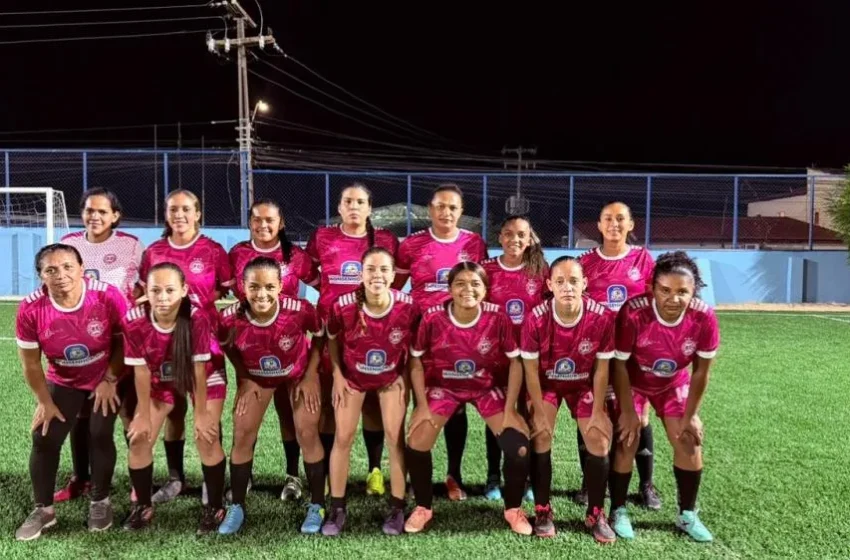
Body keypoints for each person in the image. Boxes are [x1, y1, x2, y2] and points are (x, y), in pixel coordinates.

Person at [403, 262, 531, 535]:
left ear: (485, 290)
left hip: (486, 388)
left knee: (518, 447)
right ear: (449, 288)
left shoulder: (498, 318)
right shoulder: (433, 317)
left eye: (475, 284)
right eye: (460, 283)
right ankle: (423, 507)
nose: (467, 289)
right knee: (417, 440)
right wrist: (421, 406)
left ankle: (513, 509)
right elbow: (414, 360)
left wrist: (510, 409)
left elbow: (516, 363)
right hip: (444, 387)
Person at [15, 244, 128, 540]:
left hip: (105, 373)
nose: (61, 275)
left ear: (81, 269)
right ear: (41, 276)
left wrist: (110, 378)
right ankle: (44, 510)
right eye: (50, 270)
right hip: (63, 378)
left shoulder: (106, 295)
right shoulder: (30, 308)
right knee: (43, 435)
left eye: (67, 267)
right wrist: (45, 401)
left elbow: (125, 342)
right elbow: (30, 364)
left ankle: (100, 501)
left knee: (99, 431)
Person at [608, 251, 720, 542]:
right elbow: (618, 363)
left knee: (688, 440)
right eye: (665, 290)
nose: (674, 298)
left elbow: (700, 372)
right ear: (652, 288)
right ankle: (618, 510)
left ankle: (687, 514)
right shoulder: (633, 312)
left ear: (694, 290)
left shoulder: (704, 318)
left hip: (673, 383)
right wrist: (629, 412)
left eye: (682, 291)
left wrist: (691, 414)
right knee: (627, 438)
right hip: (633, 380)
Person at [214, 257, 326, 535]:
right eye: (254, 287)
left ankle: (318, 504)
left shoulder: (299, 309)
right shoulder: (230, 317)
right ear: (242, 287)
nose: (261, 294)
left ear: (280, 287)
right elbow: (226, 345)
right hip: (258, 377)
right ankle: (237, 506)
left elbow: (321, 334)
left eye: (268, 287)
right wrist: (244, 376)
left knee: (307, 431)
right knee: (242, 432)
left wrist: (311, 374)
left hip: (297, 374)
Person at [136, 189, 232, 504]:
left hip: (203, 344)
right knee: (172, 411)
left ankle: (211, 482)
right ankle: (176, 479)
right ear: (166, 215)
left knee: (207, 413)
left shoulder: (213, 250)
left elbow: (223, 290)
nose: (180, 215)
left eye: (186, 209)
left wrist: (197, 312)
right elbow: (143, 292)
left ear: (198, 213)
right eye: (173, 209)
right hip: (162, 346)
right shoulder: (153, 252)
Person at [394, 184, 488, 501]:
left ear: (461, 212)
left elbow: (480, 288)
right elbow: (395, 290)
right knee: (415, 404)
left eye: (452, 207)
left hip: (460, 340)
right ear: (430, 209)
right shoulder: (412, 245)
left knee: (456, 406)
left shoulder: (474, 244)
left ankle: (454, 475)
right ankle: (410, 476)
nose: (446, 212)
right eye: (440, 206)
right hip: (419, 338)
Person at [305, 182, 399, 498]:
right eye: (348, 201)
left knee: (371, 401)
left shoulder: (385, 239)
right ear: (340, 207)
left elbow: (392, 279)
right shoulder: (323, 237)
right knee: (333, 402)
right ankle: (335, 472)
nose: (354, 206)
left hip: (372, 332)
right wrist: (327, 292)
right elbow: (307, 271)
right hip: (332, 330)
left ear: (370, 208)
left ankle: (374, 470)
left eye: (360, 202)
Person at [122, 263, 227, 534]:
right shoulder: (133, 319)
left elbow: (199, 369)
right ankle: (142, 506)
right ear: (145, 290)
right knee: (139, 438)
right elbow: (141, 370)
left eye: (170, 290)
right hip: (159, 378)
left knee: (206, 435)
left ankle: (215, 505)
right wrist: (143, 414)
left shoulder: (197, 318)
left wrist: (202, 413)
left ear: (184, 290)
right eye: (156, 290)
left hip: (204, 375)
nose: (163, 297)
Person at [55, 188, 144, 504]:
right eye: (89, 210)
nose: (95, 217)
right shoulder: (69, 244)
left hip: (120, 341)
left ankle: (139, 480)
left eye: (102, 212)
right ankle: (81, 478)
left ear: (115, 216)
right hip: (80, 343)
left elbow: (141, 288)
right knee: (80, 414)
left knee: (128, 412)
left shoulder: (130, 246)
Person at [322, 247, 418, 536]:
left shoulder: (408, 306)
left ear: (393, 275)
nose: (377, 275)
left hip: (390, 378)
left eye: (383, 270)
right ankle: (337, 507)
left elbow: (414, 350)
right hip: (352, 378)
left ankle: (397, 506)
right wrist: (338, 375)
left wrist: (405, 379)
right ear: (361, 274)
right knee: (343, 437)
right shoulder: (343, 305)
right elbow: (332, 339)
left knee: (395, 438)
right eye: (371, 270)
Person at [521, 257, 617, 542]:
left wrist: (598, 409)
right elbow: (530, 371)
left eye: (574, 281)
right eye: (560, 281)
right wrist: (538, 410)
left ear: (585, 284)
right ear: (550, 285)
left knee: (599, 438)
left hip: (583, 384)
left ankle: (596, 512)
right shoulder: (535, 318)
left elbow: (601, 370)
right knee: (541, 434)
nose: (567, 287)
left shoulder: (601, 317)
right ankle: (542, 509)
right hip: (546, 384)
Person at [229, 199, 319, 501]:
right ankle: (246, 476)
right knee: (246, 415)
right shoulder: (238, 254)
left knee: (288, 414)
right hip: (253, 351)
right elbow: (228, 296)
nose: (263, 225)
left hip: (290, 348)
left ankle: (293, 477)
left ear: (281, 223)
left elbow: (324, 284)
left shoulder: (295, 255)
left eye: (270, 220)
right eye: (256, 219)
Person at [576, 200, 659, 509]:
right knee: (589, 413)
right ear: (598, 225)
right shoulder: (585, 262)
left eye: (620, 218)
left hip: (632, 354)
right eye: (607, 219)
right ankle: (589, 481)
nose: (614, 224)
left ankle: (646, 483)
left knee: (639, 416)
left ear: (631, 224)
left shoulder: (643, 258)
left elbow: (653, 305)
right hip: (594, 353)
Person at [480, 215, 548, 501]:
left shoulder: (540, 270)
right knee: (498, 414)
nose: (514, 240)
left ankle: (531, 478)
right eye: (508, 234)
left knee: (530, 412)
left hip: (532, 358)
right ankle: (493, 477)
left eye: (521, 234)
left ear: (529, 238)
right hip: (498, 357)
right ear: (500, 237)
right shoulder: (487, 270)